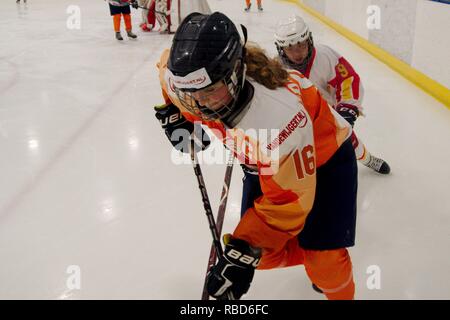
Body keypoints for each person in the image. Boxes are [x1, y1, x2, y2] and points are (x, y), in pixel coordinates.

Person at [155, 12, 357, 300]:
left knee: (324, 263)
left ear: (236, 73)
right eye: (191, 95)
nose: (200, 104)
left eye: (210, 91)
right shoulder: (187, 79)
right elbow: (165, 71)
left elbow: (288, 200)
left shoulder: (277, 117)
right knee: (261, 256)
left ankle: (323, 259)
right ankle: (313, 247)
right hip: (267, 164)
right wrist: (176, 112)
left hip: (327, 158)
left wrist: (243, 251)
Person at [275, 15, 390, 174]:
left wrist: (348, 109)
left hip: (330, 112)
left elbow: (348, 79)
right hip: (301, 120)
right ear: (281, 49)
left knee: (347, 139)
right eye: (290, 48)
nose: (297, 53)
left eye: (301, 45)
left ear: (309, 40)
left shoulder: (325, 56)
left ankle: (367, 159)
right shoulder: (277, 70)